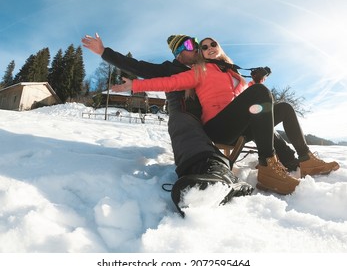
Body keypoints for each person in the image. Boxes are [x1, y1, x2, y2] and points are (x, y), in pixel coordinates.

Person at [112, 37, 340, 196]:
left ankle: (305, 160)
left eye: (213, 44)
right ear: (200, 54)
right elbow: (169, 82)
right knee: (261, 95)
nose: (209, 47)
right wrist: (136, 85)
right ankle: (268, 167)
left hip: (236, 124)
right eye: (204, 46)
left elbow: (245, 100)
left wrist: (257, 82)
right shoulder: (198, 71)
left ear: (220, 48)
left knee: (283, 108)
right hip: (217, 127)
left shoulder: (232, 73)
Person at [82, 34, 254, 216]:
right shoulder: (170, 68)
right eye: (189, 44)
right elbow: (139, 66)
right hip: (186, 114)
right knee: (183, 123)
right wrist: (104, 52)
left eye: (196, 44)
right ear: (178, 53)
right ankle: (212, 172)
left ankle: (275, 160)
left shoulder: (208, 67)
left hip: (212, 119)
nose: (195, 47)